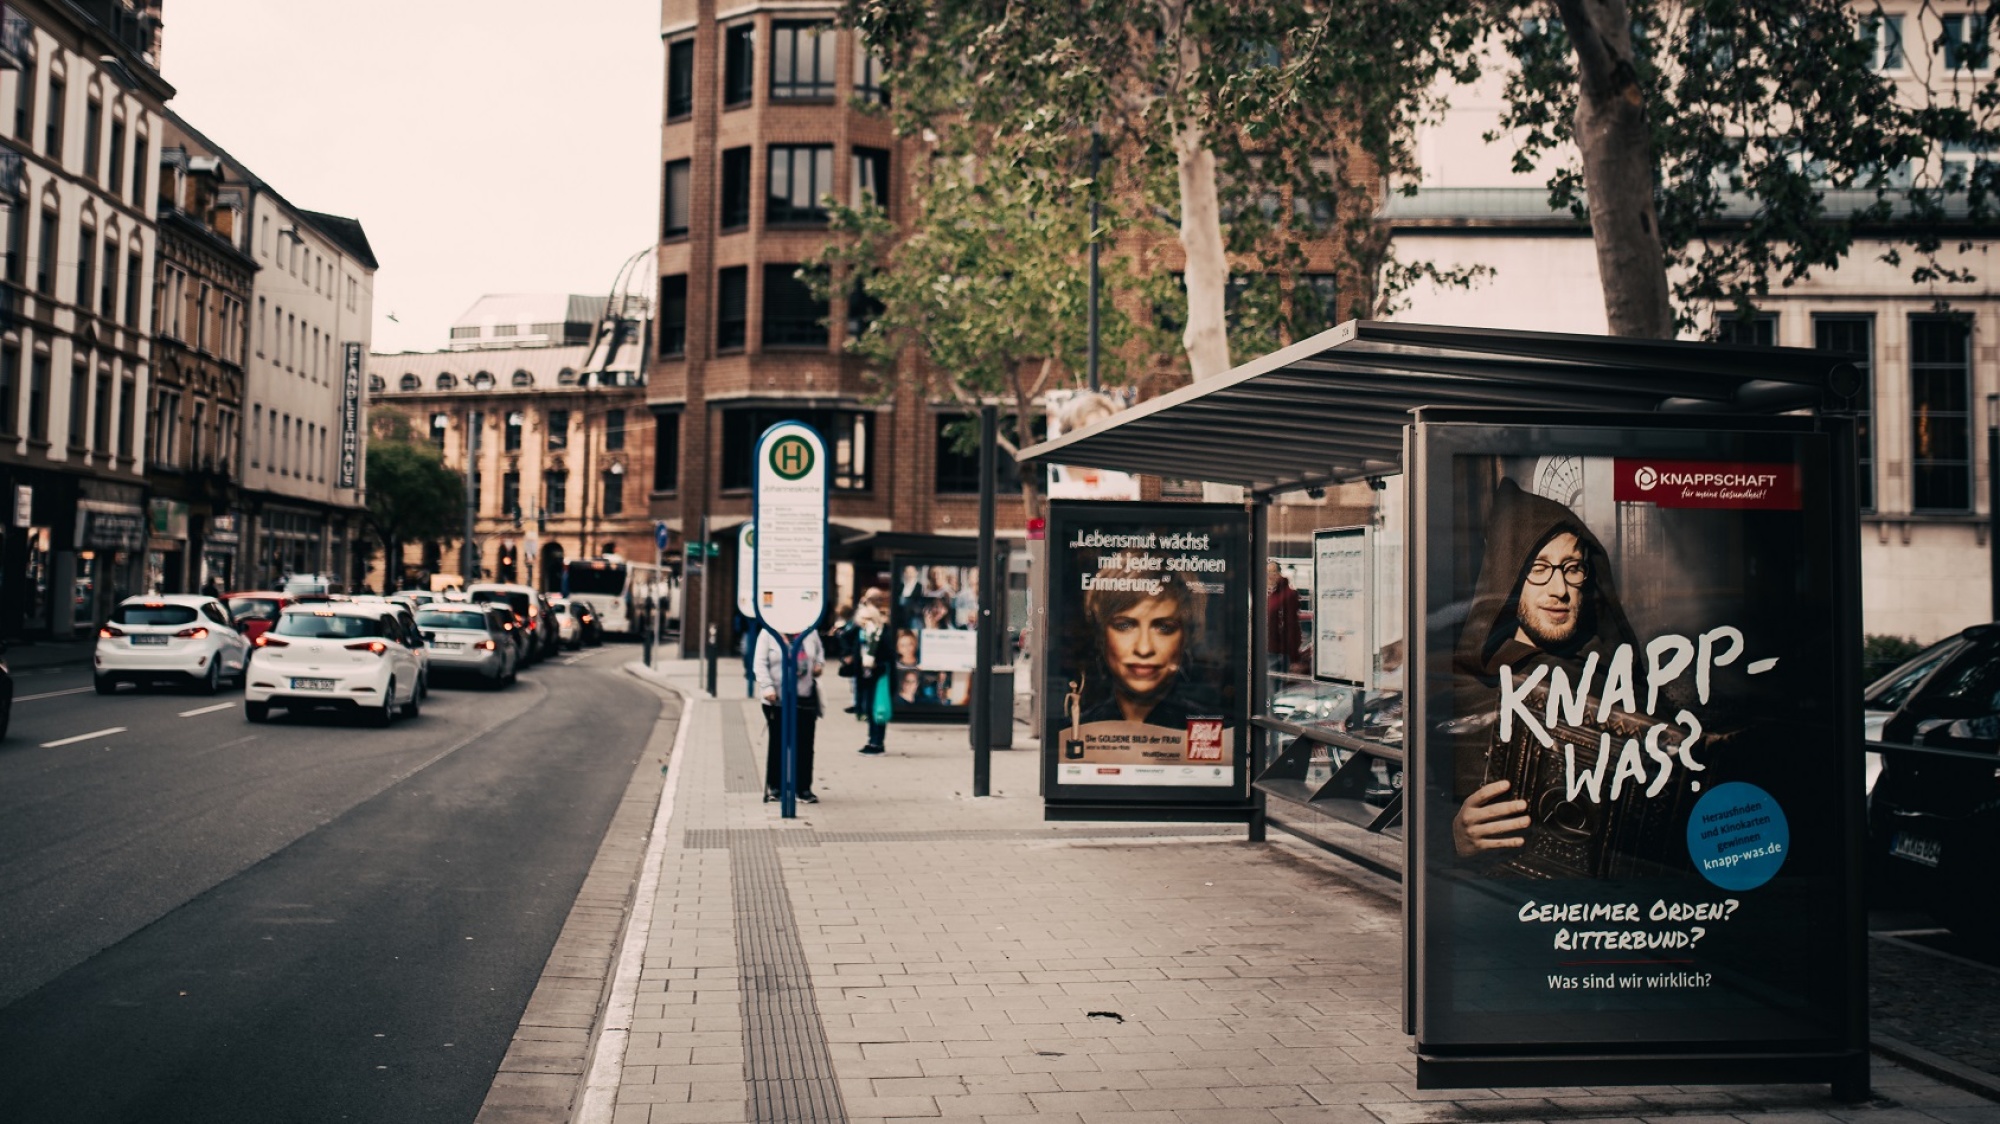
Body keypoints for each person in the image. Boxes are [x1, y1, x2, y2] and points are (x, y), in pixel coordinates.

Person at [1448, 479, 1637, 861]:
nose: (1560, 589)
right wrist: (1453, 835)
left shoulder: (1613, 677)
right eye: (1539, 568)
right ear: (1511, 577)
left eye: (1572, 568)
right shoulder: (1468, 686)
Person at [1078, 562, 1217, 728]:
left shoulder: (1213, 730)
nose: (1144, 649)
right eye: (1124, 626)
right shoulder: (1073, 731)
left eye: (1164, 628)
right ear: (1101, 635)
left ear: (1186, 637)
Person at [754, 626, 825, 803]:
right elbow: (759, 663)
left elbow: (819, 654)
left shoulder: (810, 632)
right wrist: (767, 687)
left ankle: (803, 788)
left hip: (804, 696)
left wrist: (818, 665)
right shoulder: (768, 633)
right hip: (777, 698)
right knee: (778, 741)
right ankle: (776, 786)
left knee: (805, 743)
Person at [851, 588, 892, 754]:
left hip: (878, 676)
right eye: (862, 619)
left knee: (878, 709)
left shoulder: (881, 633)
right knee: (869, 709)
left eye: (868, 619)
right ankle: (872, 739)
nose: (864, 622)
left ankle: (877, 742)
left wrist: (876, 664)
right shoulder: (862, 634)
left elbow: (888, 655)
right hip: (865, 676)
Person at [1265, 561, 1301, 675]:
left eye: (1273, 572)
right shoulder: (1269, 595)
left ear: (1280, 573)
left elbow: (1292, 626)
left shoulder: (1288, 594)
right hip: (1267, 650)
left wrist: (1294, 657)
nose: (1270, 575)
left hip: (1279, 653)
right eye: (1267, 572)